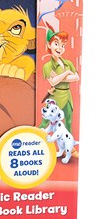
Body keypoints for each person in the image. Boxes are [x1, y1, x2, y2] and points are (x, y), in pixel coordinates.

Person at [40, 23, 79, 157]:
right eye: (56, 44)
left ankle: (71, 149)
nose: (60, 48)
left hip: (67, 95)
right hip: (55, 95)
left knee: (69, 121)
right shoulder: (47, 65)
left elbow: (77, 77)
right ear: (49, 45)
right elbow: (53, 82)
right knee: (46, 121)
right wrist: (66, 73)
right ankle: (38, 144)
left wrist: (60, 76)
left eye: (63, 45)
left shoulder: (68, 63)